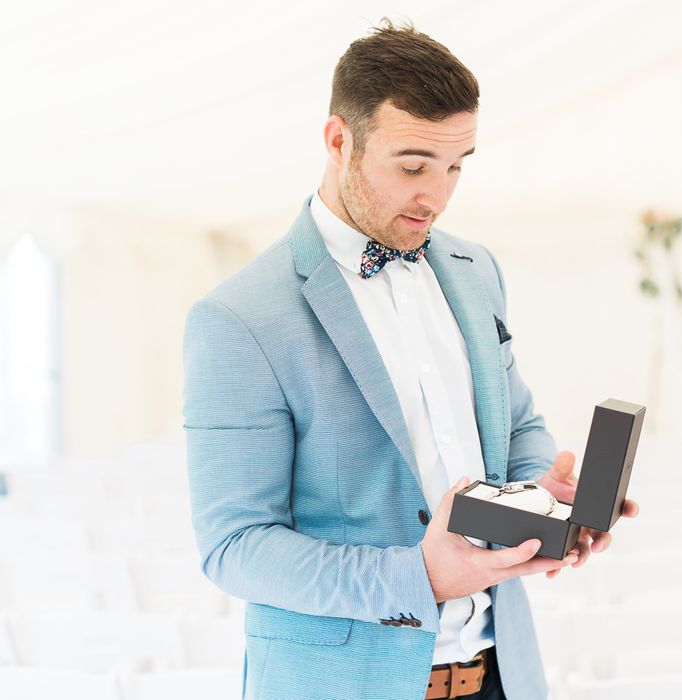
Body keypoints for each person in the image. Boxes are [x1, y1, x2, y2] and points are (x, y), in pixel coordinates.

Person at [182, 18, 639, 700]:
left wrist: (546, 498)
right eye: (413, 165)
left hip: (499, 674)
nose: (439, 194)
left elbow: (515, 425)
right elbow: (236, 547)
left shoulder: (474, 268)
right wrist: (418, 578)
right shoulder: (237, 318)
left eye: (456, 166)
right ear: (340, 141)